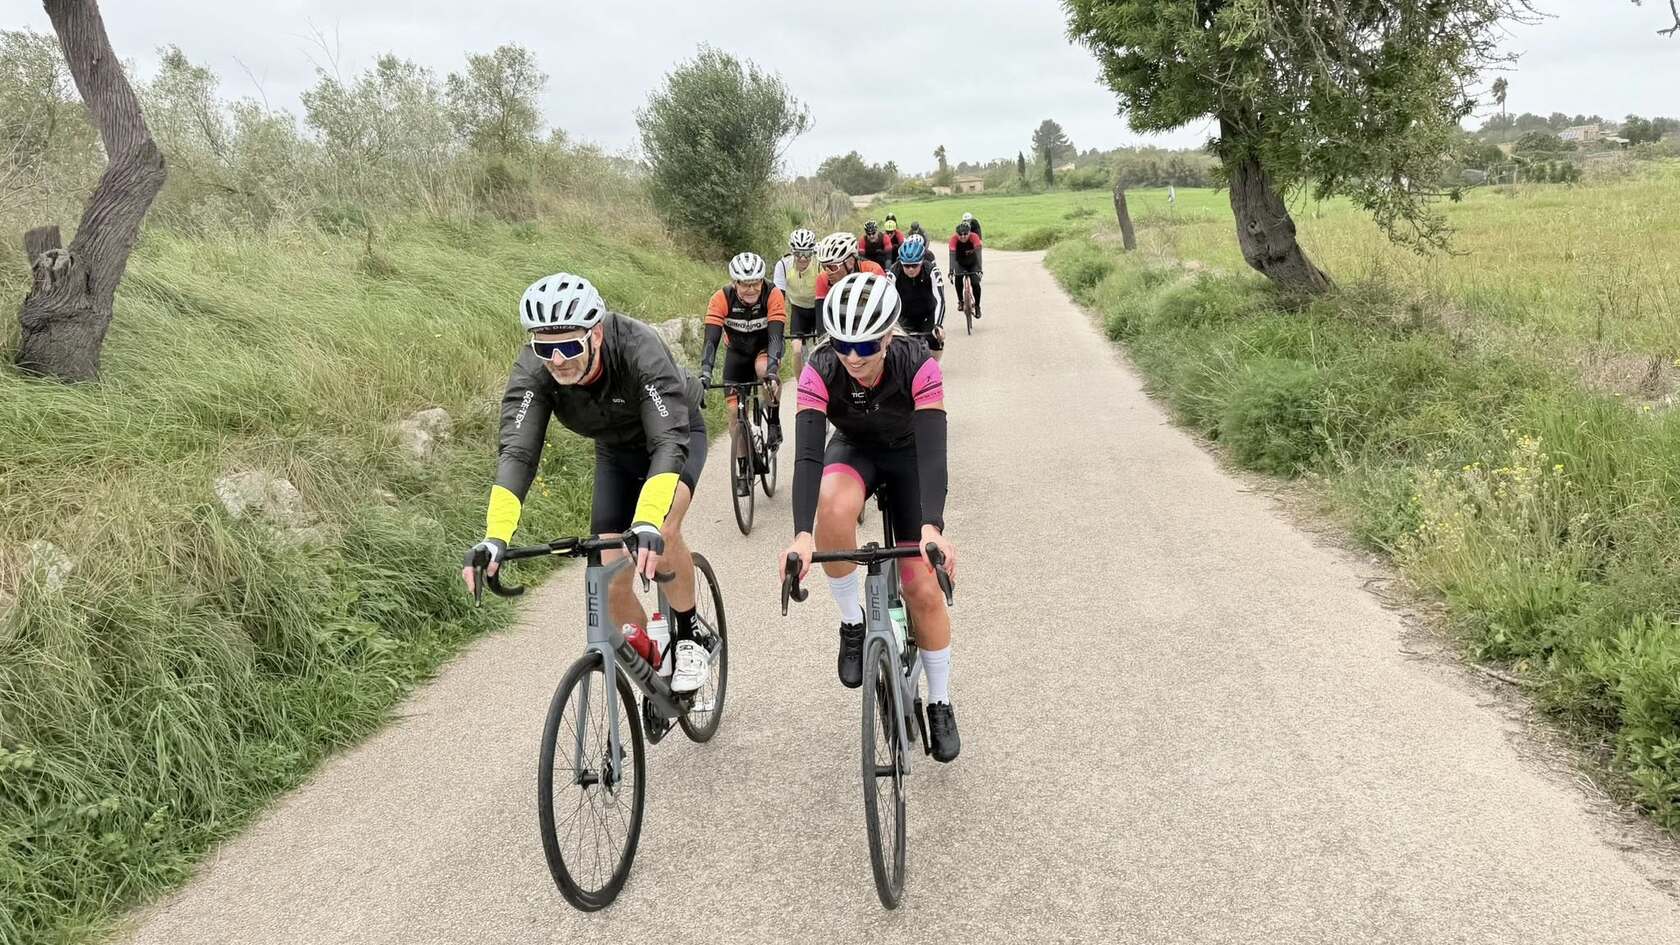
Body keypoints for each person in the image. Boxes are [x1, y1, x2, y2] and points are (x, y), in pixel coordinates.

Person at [463, 272, 711, 692]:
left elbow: (668, 442)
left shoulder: (637, 347)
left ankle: (689, 636)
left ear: (595, 334)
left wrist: (647, 520)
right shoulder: (536, 370)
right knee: (610, 575)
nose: (557, 359)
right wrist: (495, 536)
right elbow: (518, 453)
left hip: (675, 435)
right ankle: (654, 663)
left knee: (663, 532)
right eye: (545, 347)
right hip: (615, 451)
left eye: (569, 346)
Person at [782, 272, 960, 761]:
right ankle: (852, 623)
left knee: (922, 587)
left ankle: (940, 700)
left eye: (864, 346)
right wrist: (801, 536)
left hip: (909, 455)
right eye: (842, 345)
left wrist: (932, 527)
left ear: (887, 337)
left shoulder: (917, 364)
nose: (853, 358)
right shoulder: (820, 368)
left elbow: (934, 453)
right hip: (855, 449)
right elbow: (807, 457)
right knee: (832, 507)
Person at [700, 252, 787, 460]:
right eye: (745, 284)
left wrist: (772, 371)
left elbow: (776, 337)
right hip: (737, 354)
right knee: (733, 414)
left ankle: (773, 421)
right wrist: (705, 373)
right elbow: (711, 341)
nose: (751, 289)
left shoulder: (772, 294)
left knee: (763, 370)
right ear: (734, 282)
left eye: (756, 283)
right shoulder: (721, 298)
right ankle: (742, 465)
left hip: (765, 348)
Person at [891, 235, 947, 361]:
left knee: (936, 340)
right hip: (904, 315)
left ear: (921, 261)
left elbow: (940, 299)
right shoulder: (894, 272)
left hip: (928, 313)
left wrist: (938, 325)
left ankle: (934, 366)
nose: (911, 269)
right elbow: (886, 299)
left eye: (915, 265)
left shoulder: (932, 271)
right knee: (895, 345)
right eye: (906, 266)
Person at [774, 228, 821, 369]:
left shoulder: (819, 264)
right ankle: (801, 382)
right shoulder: (783, 265)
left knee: (822, 348)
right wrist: (777, 332)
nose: (803, 258)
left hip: (819, 307)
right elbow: (778, 300)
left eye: (807, 253)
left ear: (813, 251)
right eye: (798, 253)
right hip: (798, 310)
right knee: (797, 351)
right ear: (792, 251)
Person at [813, 231, 886, 304]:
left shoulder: (873, 271)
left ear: (851, 261)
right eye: (824, 266)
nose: (828, 271)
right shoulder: (823, 278)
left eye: (832, 267)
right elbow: (820, 309)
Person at [948, 220, 984, 320]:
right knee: (958, 278)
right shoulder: (953, 239)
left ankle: (977, 306)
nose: (963, 236)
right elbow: (952, 256)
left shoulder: (974, 237)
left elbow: (978, 255)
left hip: (973, 263)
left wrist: (979, 269)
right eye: (960, 234)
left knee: (975, 283)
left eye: (965, 234)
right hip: (960, 263)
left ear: (969, 233)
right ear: (957, 234)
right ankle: (960, 301)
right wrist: (951, 270)